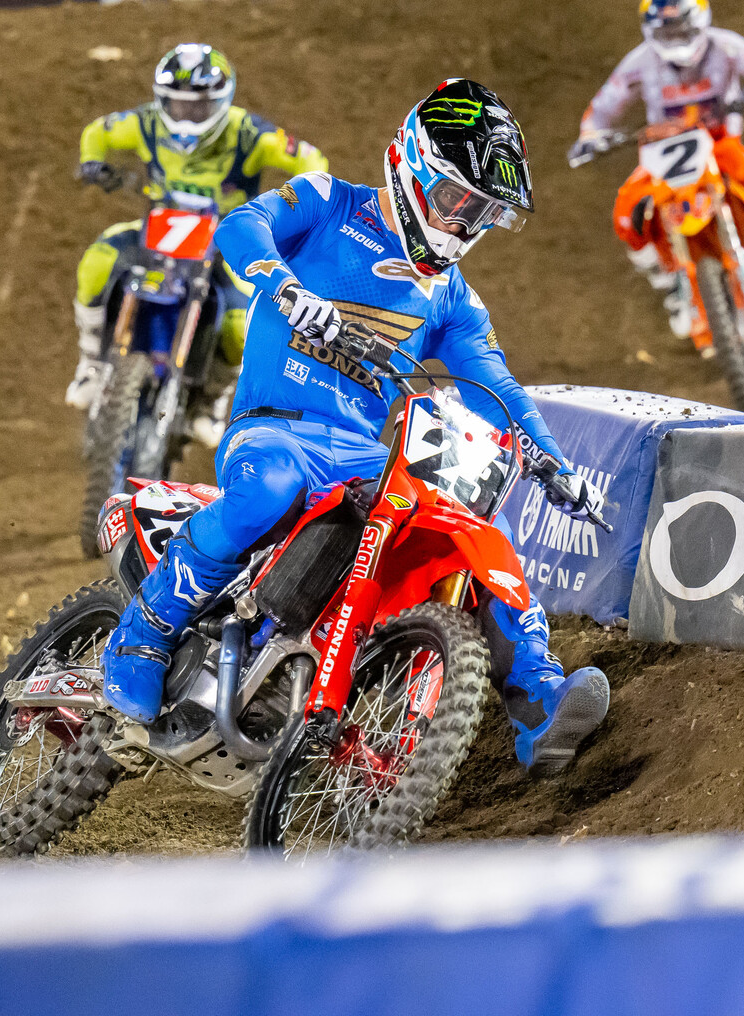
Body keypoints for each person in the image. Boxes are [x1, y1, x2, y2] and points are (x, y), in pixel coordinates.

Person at [98, 78, 611, 778]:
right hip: (276, 428)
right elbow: (239, 225)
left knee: (474, 537)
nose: (463, 225)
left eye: (482, 213)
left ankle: (541, 705)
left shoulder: (453, 299)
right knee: (267, 488)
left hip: (362, 460)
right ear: (411, 166)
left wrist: (554, 464)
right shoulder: (327, 202)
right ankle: (144, 634)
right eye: (458, 200)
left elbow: (498, 387)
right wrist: (281, 286)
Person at [67, 44, 326, 438]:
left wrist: (298, 205)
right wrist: (93, 163)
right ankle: (89, 363)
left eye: (197, 107)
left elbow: (311, 161)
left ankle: (212, 400)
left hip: (227, 239)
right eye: (176, 104)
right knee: (96, 262)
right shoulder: (145, 122)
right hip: (160, 227)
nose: (185, 114)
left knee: (243, 322)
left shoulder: (248, 133)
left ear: (220, 101)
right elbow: (96, 133)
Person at [575, 0, 744, 330]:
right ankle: (669, 283)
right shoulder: (639, 62)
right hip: (663, 152)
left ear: (700, 21)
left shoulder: (725, 45)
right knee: (627, 213)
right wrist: (591, 136)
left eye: (682, 29)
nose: (676, 39)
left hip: (719, 142)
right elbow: (603, 106)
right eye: (667, 32)